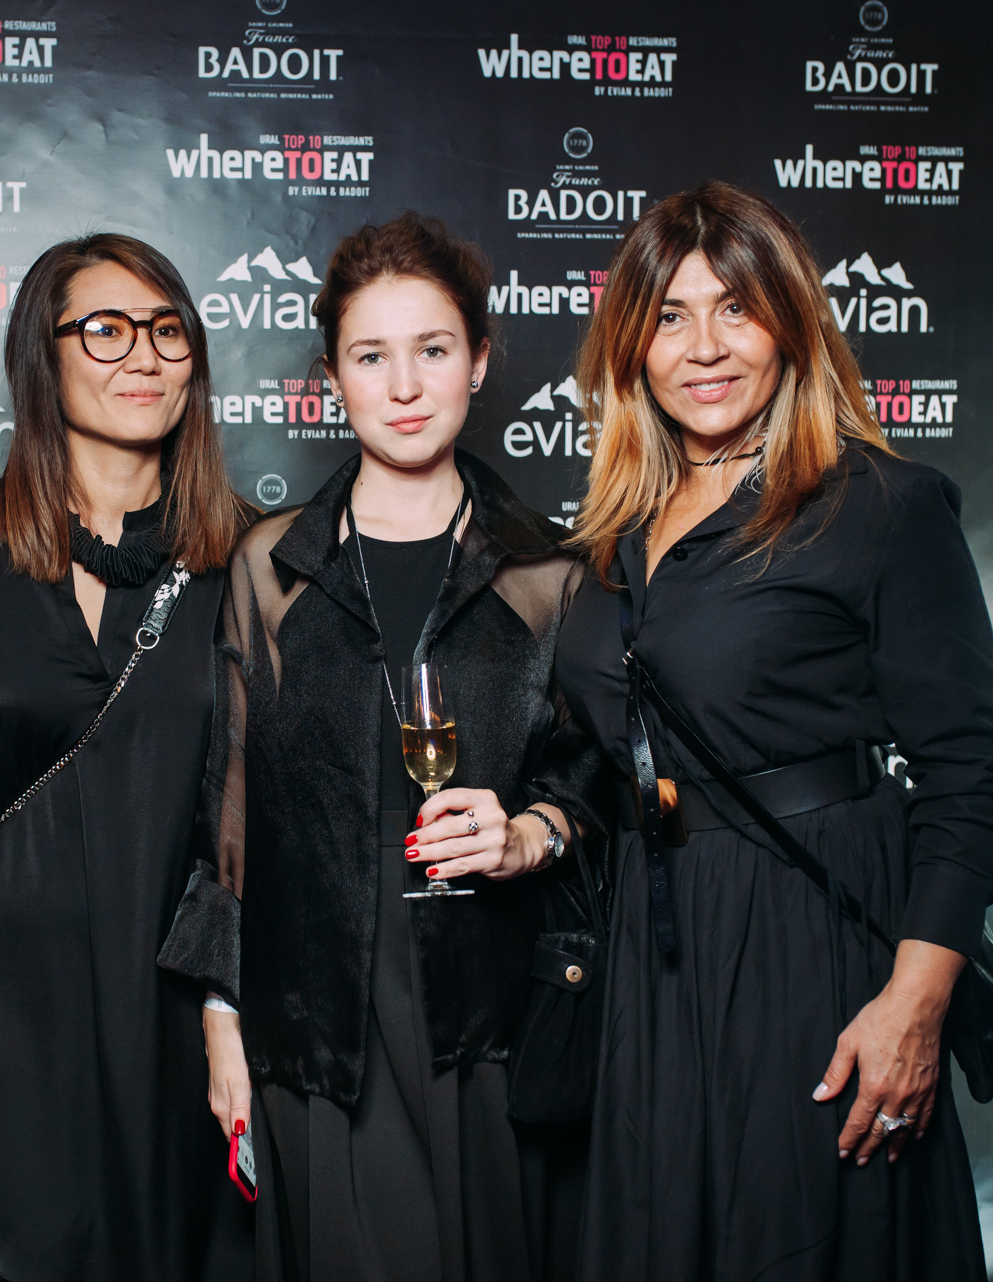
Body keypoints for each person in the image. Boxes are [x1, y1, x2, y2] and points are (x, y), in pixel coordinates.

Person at [554, 181, 993, 1281]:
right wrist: (536, 823)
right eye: (670, 317)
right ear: (631, 348)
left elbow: (975, 780)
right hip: (654, 955)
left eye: (736, 308)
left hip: (808, 944)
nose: (704, 347)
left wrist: (914, 1006)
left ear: (791, 322)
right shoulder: (614, 530)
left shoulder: (879, 505)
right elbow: (604, 751)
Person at [170, 212, 597, 1282]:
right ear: (332, 379)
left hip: (494, 1017)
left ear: (480, 361)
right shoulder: (271, 566)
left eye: (433, 349)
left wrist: (533, 832)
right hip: (318, 1018)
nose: (404, 385)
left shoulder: (551, 570)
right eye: (371, 356)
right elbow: (229, 811)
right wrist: (222, 1017)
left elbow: (594, 775)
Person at [0, 233, 253, 1282]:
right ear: (43, 352)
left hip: (185, 1009)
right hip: (16, 1011)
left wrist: (230, 1002)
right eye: (105, 329)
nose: (143, 355)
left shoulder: (251, 558)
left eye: (167, 330)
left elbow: (276, 806)